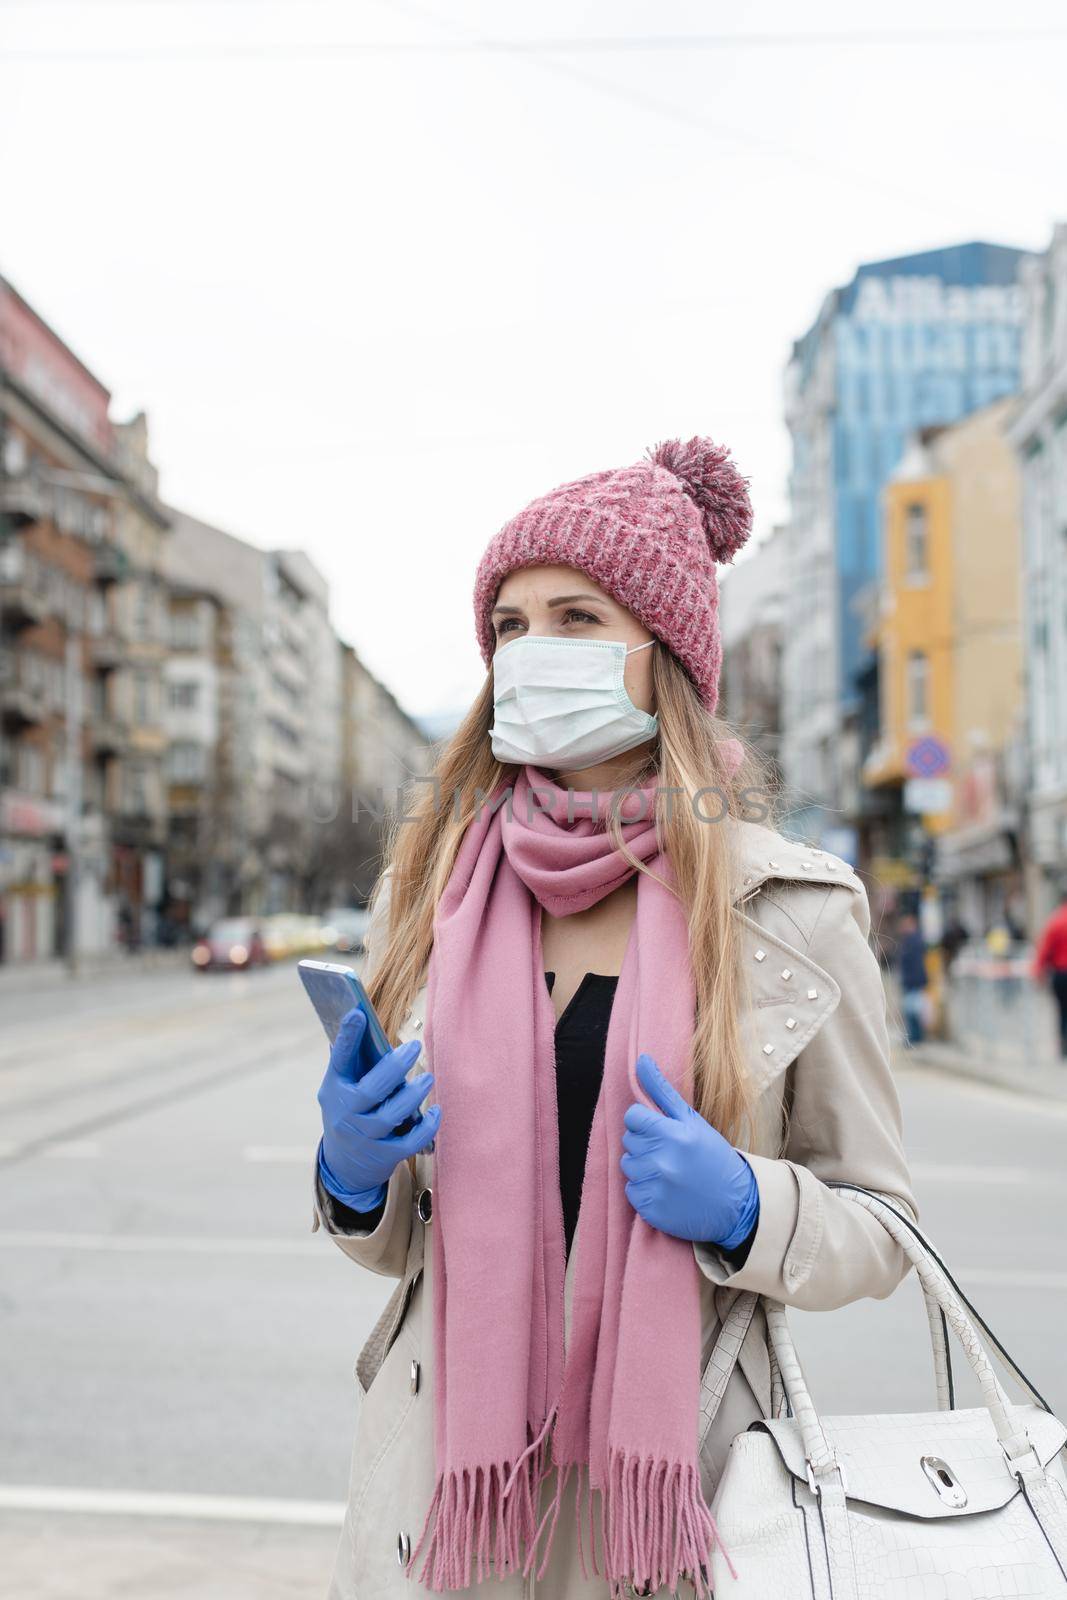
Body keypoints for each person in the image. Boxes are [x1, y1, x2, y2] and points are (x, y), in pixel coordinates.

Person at [311, 435, 918, 1600]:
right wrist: (351, 1172)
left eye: (577, 618)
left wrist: (749, 1205)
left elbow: (881, 1227)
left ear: (663, 659)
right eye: (510, 625)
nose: (533, 651)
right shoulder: (426, 895)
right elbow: (396, 1241)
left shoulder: (787, 909)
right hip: (449, 1506)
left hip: (683, 1497)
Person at [1032, 885, 1067, 1060]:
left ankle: (1064, 1046)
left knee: (1062, 1011)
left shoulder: (1056, 920)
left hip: (1061, 975)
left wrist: (1038, 972)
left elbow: (1045, 950)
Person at [896, 912, 928, 1046]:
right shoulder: (911, 940)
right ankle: (914, 1037)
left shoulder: (913, 941)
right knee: (911, 1010)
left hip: (913, 981)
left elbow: (914, 964)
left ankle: (914, 1037)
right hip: (912, 981)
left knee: (912, 1010)